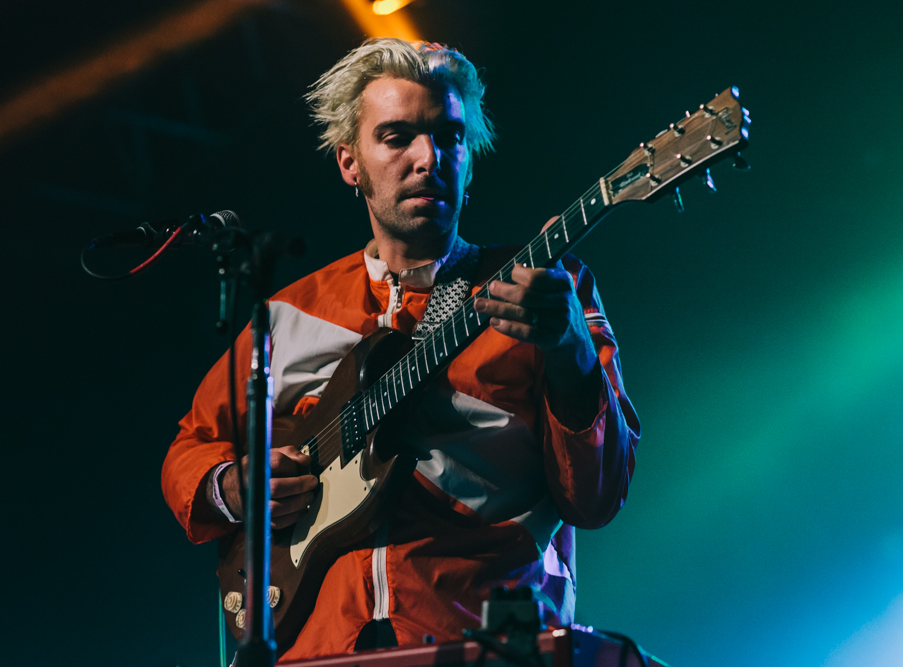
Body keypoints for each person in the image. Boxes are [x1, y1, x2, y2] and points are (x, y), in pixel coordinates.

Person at [161, 38, 640, 661]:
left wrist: (571, 348)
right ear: (349, 163)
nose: (428, 158)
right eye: (396, 137)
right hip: (313, 646)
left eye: (450, 137)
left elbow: (598, 496)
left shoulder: (545, 289)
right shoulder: (286, 314)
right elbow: (192, 446)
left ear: (470, 160)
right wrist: (233, 487)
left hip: (483, 641)